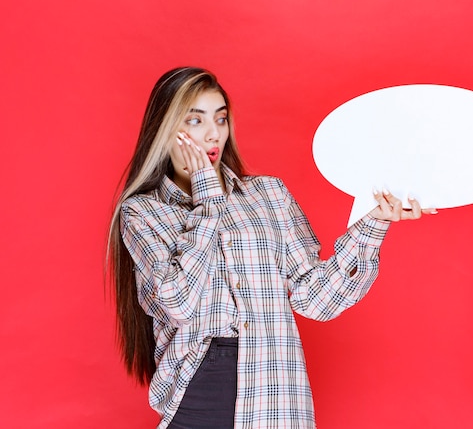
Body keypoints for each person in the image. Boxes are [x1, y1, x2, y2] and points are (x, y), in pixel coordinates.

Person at [107, 66, 436, 429]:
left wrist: (374, 222)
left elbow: (316, 299)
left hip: (275, 392)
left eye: (220, 118)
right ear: (164, 131)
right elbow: (178, 303)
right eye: (195, 120)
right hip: (199, 394)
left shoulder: (269, 195)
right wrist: (208, 200)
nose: (213, 133)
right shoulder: (143, 211)